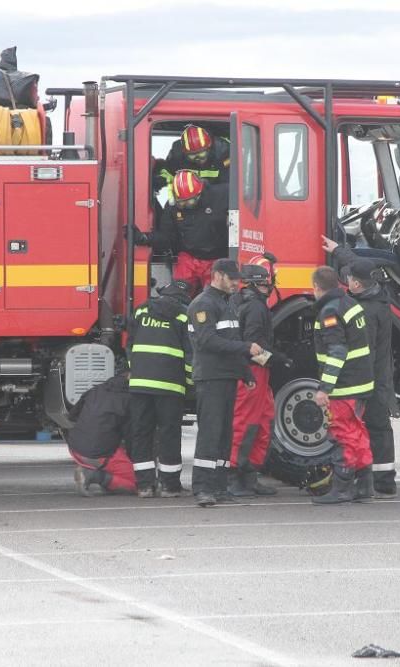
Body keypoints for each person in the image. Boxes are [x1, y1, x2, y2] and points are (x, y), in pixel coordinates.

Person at [187, 258, 262, 507]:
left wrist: (246, 373)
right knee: (210, 433)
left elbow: (230, 341)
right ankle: (202, 488)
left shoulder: (226, 303)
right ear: (217, 276)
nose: (236, 283)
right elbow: (207, 341)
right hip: (211, 377)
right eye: (232, 279)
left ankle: (219, 486)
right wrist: (246, 348)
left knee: (223, 435)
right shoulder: (203, 304)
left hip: (227, 376)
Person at [335, 254, 400, 499]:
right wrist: (338, 250)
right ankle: (384, 479)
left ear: (357, 284)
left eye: (350, 278)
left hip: (370, 377)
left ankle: (380, 481)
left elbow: (365, 350)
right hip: (379, 375)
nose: (347, 281)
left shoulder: (365, 311)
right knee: (379, 425)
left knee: (373, 424)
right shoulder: (378, 299)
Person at [310, 265, 376, 505]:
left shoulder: (329, 312)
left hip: (344, 386)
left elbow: (337, 351)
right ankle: (364, 485)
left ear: (316, 287)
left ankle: (342, 487)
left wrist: (324, 388)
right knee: (357, 432)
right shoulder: (350, 303)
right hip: (360, 382)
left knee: (343, 434)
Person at [228, 254, 289, 497]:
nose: (269, 287)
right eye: (265, 283)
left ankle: (250, 474)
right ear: (255, 284)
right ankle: (234, 476)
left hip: (257, 372)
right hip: (251, 372)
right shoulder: (254, 307)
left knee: (263, 421)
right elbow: (252, 346)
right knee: (247, 423)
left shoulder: (248, 303)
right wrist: (275, 358)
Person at [127, 280, 193, 498]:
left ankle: (144, 485)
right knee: (169, 433)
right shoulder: (184, 315)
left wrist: (135, 371)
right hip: (170, 386)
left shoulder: (141, 311)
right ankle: (170, 485)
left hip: (139, 384)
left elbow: (130, 346)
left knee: (141, 432)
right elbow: (190, 355)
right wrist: (191, 382)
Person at [132, 170, 228, 294]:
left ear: (200, 192)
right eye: (182, 202)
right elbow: (167, 236)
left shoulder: (221, 195)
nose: (187, 205)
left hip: (217, 258)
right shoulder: (172, 207)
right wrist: (145, 238)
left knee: (215, 296)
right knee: (178, 292)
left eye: (191, 201)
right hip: (189, 257)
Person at [65, 372, 136, 497]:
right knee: (140, 483)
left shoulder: (96, 389)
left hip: (75, 447)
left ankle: (106, 480)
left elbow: (72, 416)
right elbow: (131, 439)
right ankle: (95, 476)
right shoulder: (129, 400)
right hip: (98, 454)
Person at [155, 124, 230, 189]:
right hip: (189, 196)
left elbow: (231, 181)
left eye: (201, 152)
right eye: (192, 154)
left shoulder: (223, 152)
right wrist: (160, 181)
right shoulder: (177, 157)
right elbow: (168, 173)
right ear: (184, 153)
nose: (198, 157)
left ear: (209, 148)